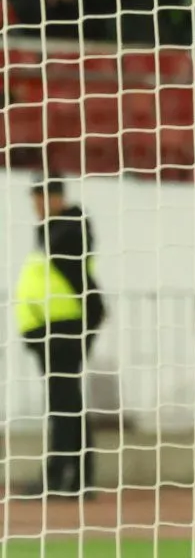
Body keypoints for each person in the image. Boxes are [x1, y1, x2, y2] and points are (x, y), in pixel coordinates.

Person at [15, 173, 106, 499]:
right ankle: (73, 477)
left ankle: (66, 476)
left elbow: (77, 276)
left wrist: (91, 317)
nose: (36, 205)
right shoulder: (53, 231)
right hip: (51, 330)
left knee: (64, 404)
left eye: (41, 197)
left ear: (56, 198)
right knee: (66, 403)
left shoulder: (68, 230)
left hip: (64, 329)